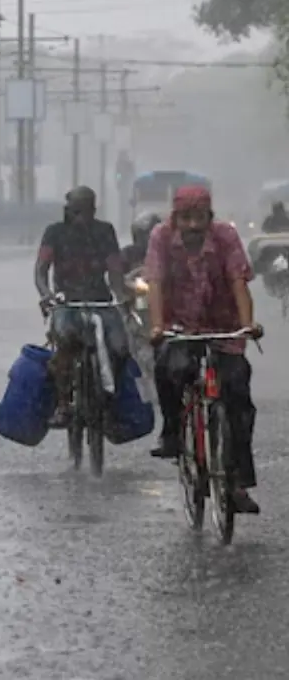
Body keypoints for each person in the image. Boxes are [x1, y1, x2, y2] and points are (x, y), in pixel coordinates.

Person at [145, 185, 263, 514]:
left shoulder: (226, 237)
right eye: (186, 218)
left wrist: (248, 324)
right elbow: (154, 282)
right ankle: (171, 432)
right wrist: (157, 327)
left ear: (209, 217)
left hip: (224, 327)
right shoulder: (161, 238)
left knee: (237, 393)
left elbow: (239, 282)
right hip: (179, 325)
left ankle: (237, 481)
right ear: (175, 218)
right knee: (170, 368)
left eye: (199, 218)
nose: (193, 226)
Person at [34, 186, 131, 429]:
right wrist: (47, 295)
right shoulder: (54, 233)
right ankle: (64, 404)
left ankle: (112, 402)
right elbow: (41, 270)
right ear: (67, 211)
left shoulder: (105, 232)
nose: (80, 217)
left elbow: (115, 269)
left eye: (85, 211)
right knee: (65, 344)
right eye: (75, 211)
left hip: (101, 301)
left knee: (120, 349)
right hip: (66, 303)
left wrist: (120, 296)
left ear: (93, 210)